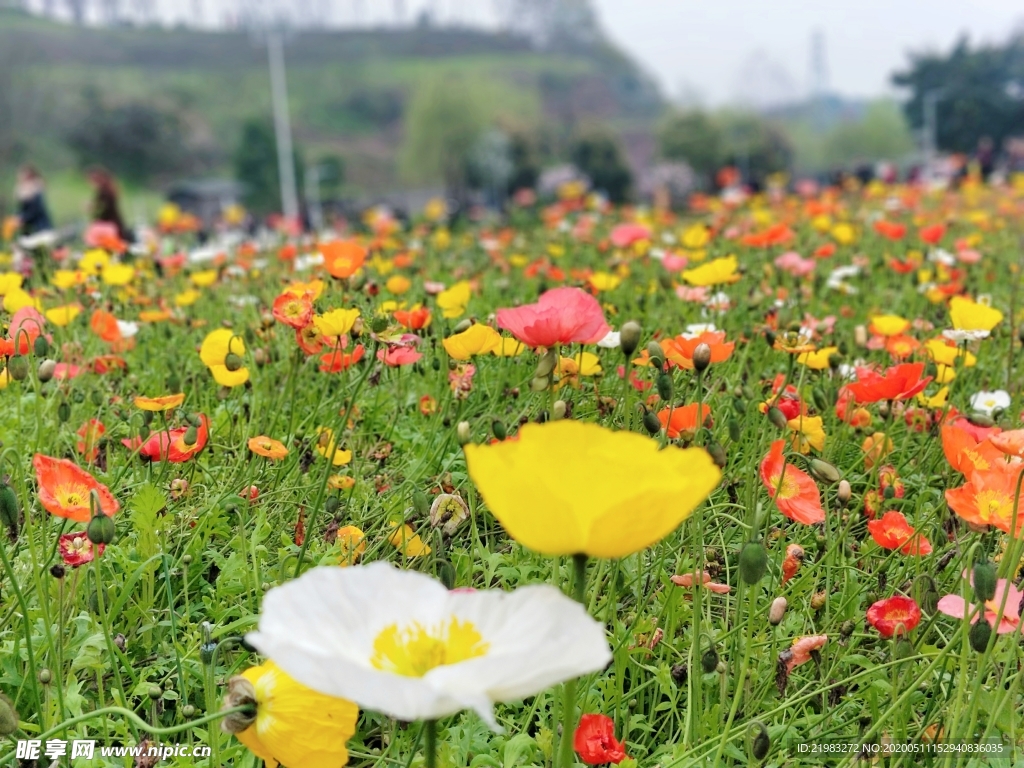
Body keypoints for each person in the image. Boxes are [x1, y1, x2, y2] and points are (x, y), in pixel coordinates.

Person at [88, 167, 130, 242]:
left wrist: (92, 207)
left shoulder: (104, 192)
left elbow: (102, 209)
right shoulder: (109, 190)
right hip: (113, 224)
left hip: (107, 226)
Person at [15, 165, 53, 236]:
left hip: (40, 227)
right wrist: (18, 217)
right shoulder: (22, 192)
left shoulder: (37, 190)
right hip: (27, 228)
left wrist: (23, 218)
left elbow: (36, 210)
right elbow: (21, 209)